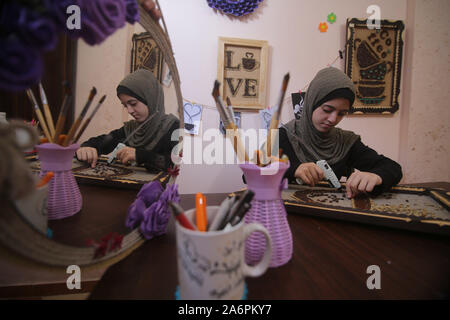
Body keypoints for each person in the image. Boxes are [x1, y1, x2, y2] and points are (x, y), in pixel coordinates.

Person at [280, 67, 402, 199]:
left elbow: (393, 168)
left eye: (341, 113)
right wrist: (292, 169)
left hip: (332, 213)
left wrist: (376, 176)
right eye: (327, 110)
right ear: (312, 102)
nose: (333, 119)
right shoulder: (281, 135)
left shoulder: (346, 142)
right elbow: (259, 170)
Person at [76, 68, 179, 172]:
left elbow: (179, 165)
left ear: (150, 99)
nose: (129, 111)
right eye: (125, 105)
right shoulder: (131, 129)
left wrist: (140, 155)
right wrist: (87, 147)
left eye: (133, 103)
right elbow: (103, 141)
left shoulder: (174, 127)